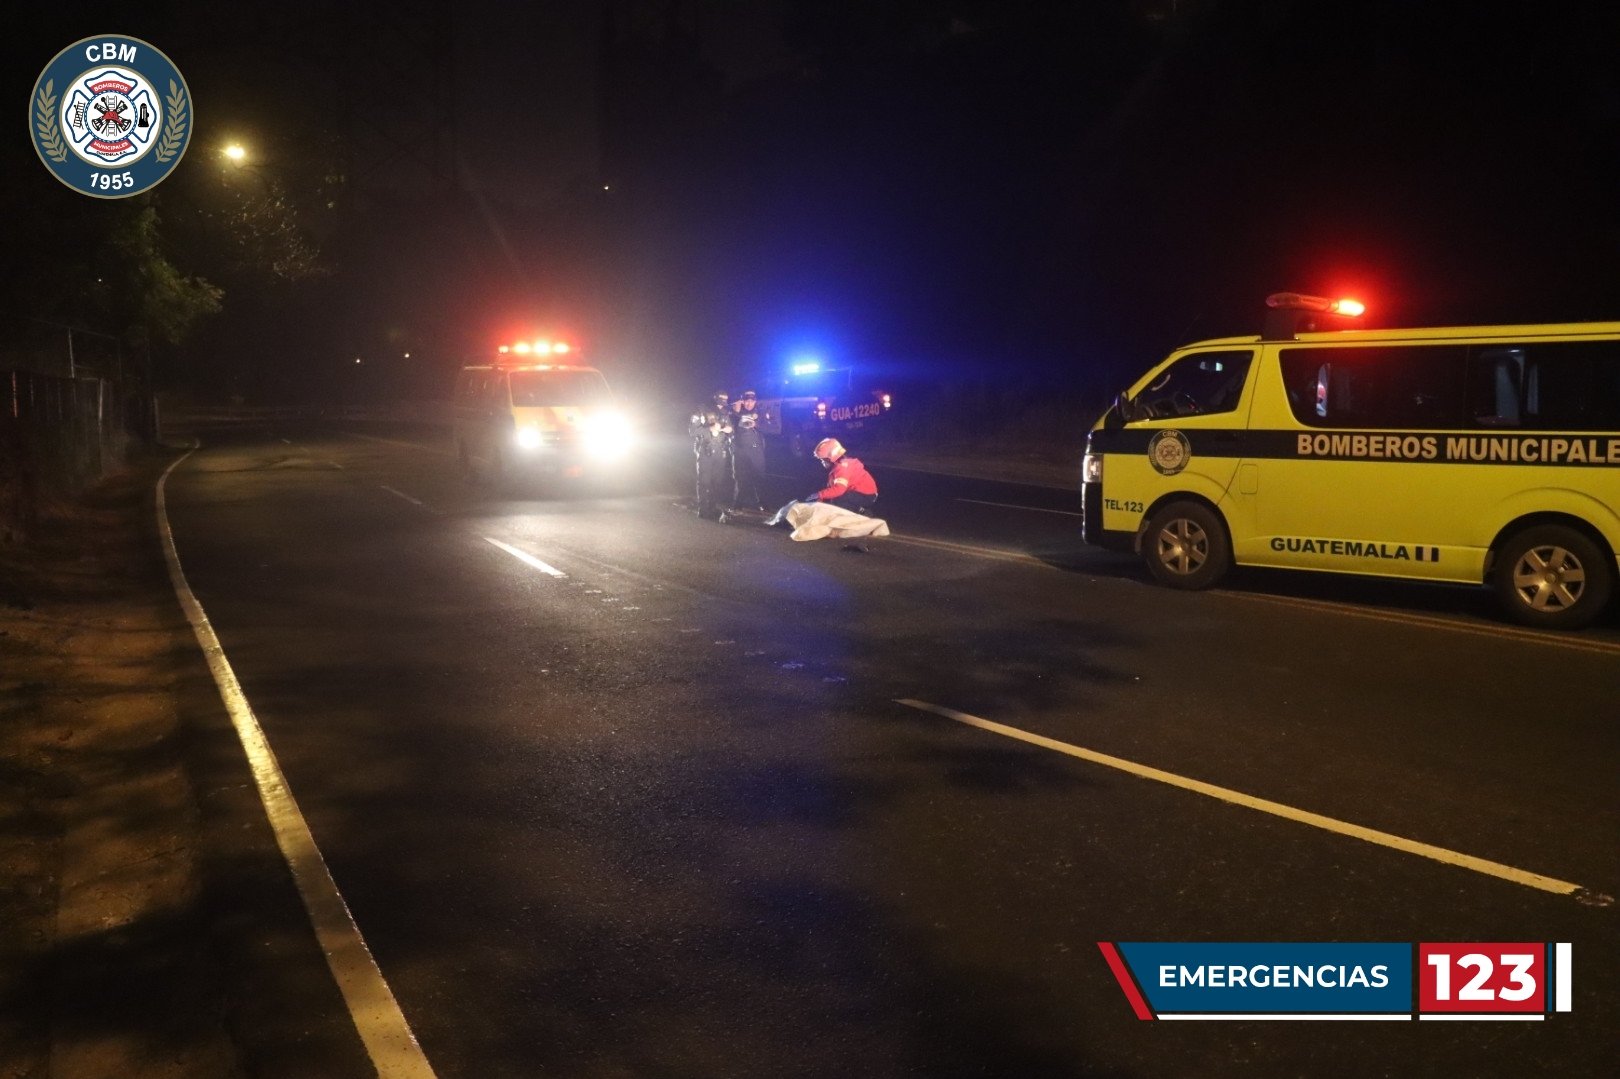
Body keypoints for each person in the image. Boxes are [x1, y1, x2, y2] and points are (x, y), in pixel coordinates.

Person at [689, 392, 733, 519]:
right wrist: (710, 429)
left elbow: (730, 428)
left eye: (725, 401)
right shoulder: (702, 410)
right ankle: (702, 509)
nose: (722, 404)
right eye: (721, 401)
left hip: (720, 450)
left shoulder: (724, 412)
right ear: (715, 399)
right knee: (704, 481)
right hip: (705, 450)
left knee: (717, 482)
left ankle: (713, 507)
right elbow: (692, 431)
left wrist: (728, 429)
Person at [804, 437, 877, 512]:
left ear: (831, 457)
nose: (822, 462)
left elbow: (839, 489)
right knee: (835, 498)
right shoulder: (838, 467)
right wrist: (820, 499)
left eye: (823, 460)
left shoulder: (843, 467)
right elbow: (832, 488)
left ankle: (861, 512)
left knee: (840, 501)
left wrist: (819, 494)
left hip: (866, 495)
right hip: (860, 493)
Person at [731, 409, 767, 510]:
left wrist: (757, 423)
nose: (749, 403)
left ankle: (762, 503)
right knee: (741, 480)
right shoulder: (740, 420)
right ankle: (737, 505)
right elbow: (741, 428)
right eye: (747, 401)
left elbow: (767, 427)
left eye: (752, 401)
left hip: (757, 452)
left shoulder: (758, 418)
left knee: (759, 478)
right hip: (743, 453)